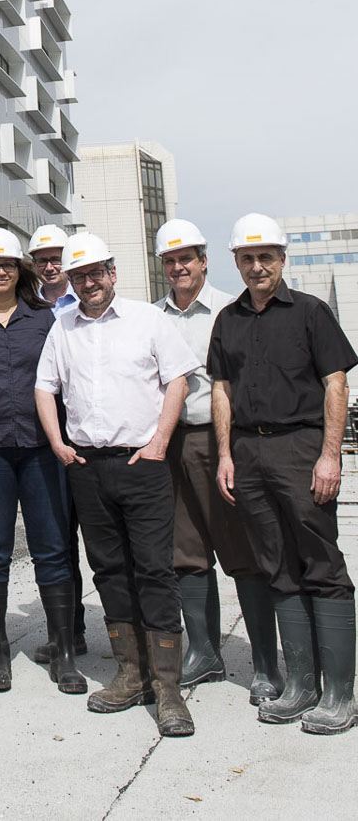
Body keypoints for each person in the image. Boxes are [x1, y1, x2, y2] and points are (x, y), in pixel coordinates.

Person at [35, 232, 201, 737]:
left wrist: (160, 441)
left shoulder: (148, 319)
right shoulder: (62, 327)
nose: (89, 283)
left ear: (112, 272)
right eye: (79, 276)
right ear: (71, 279)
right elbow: (45, 387)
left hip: (142, 464)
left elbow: (178, 380)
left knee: (154, 568)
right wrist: (59, 444)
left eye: (96, 273)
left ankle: (168, 689)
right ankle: (131, 674)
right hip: (88, 466)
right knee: (108, 568)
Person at [209, 213, 358, 736]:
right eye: (247, 259)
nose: (256, 266)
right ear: (236, 263)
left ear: (281, 259)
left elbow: (336, 383)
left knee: (321, 563)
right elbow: (221, 391)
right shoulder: (227, 320)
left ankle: (340, 693)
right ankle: (301, 685)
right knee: (276, 566)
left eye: (265, 257)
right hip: (249, 453)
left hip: (301, 448)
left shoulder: (311, 313)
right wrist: (225, 455)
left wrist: (330, 456)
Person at [0, 228, 85, 697]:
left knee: (52, 547)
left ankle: (64, 652)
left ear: (20, 271)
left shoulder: (46, 319)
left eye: (7, 264)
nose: (0, 271)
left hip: (43, 448)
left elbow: (66, 383)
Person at [153, 217, 282, 703]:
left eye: (187, 258)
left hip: (220, 441)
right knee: (185, 553)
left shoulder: (232, 310)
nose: (179, 267)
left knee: (243, 553)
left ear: (205, 261)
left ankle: (266, 664)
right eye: (170, 260)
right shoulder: (153, 317)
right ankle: (204, 653)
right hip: (171, 443)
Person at [26, 223, 86, 664]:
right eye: (42, 259)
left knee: (103, 537)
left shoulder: (88, 301)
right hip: (44, 436)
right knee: (57, 538)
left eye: (57, 258)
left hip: (89, 431)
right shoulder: (28, 309)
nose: (51, 266)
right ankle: (69, 631)